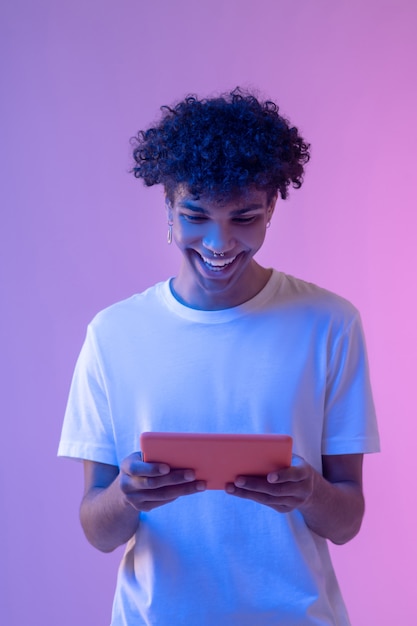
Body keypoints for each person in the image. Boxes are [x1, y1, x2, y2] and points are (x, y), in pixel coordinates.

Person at [58, 88, 380, 625]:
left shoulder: (330, 323)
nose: (219, 242)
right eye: (196, 215)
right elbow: (97, 528)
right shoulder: (113, 334)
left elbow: (346, 521)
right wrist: (127, 494)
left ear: (273, 206)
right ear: (167, 205)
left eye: (244, 217)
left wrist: (309, 491)